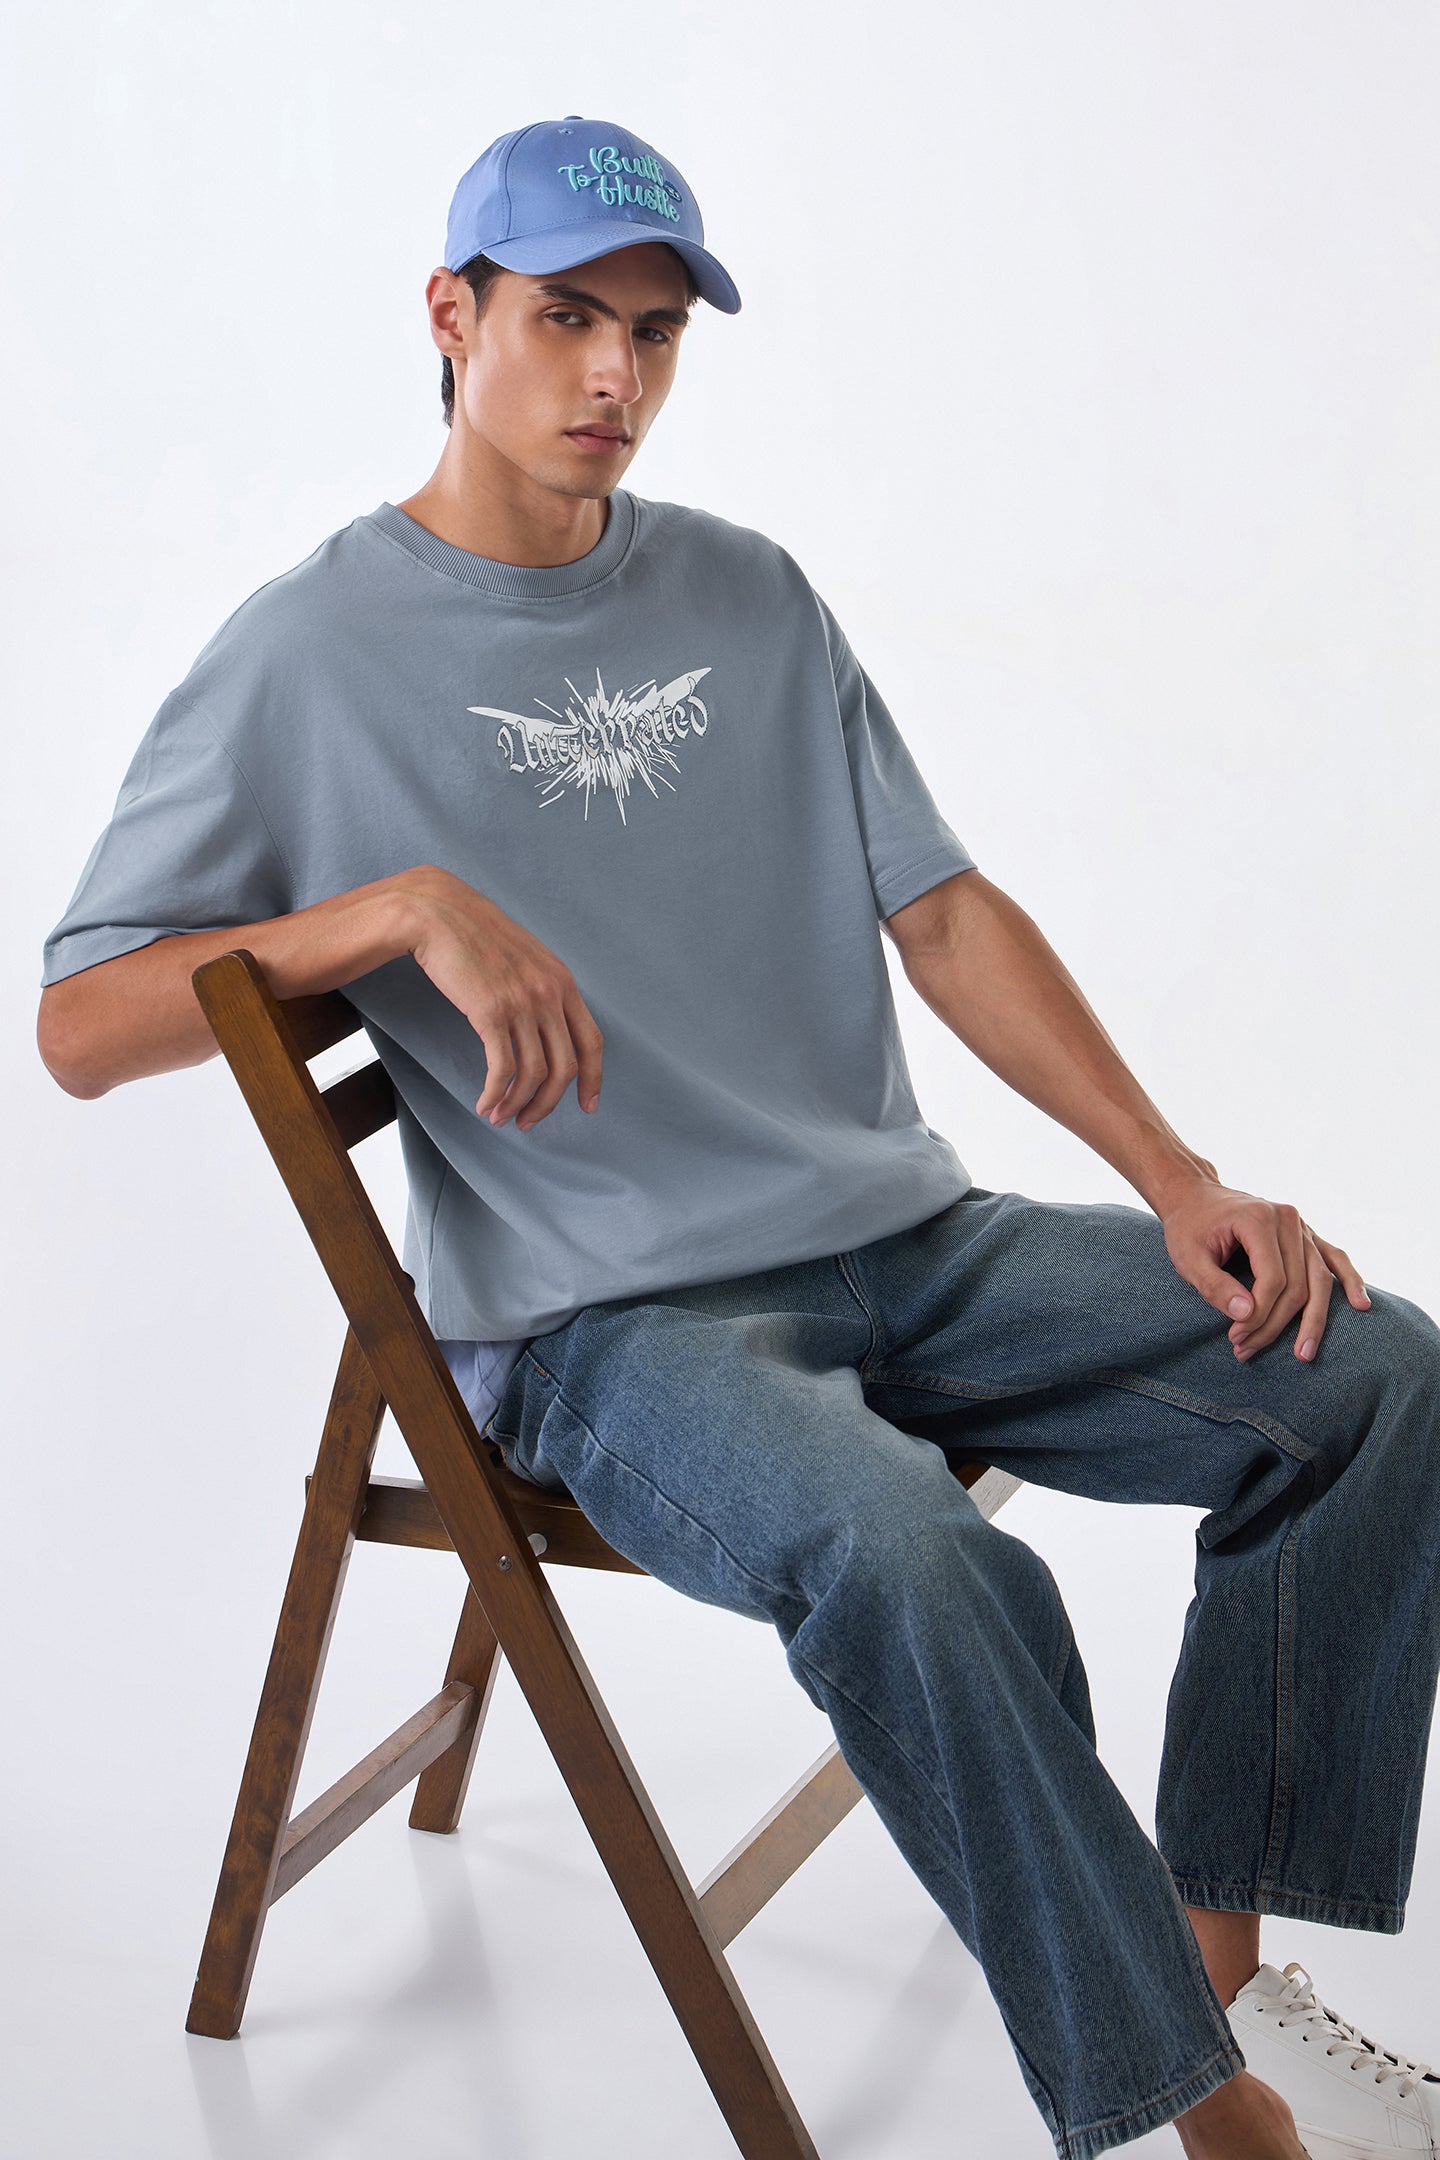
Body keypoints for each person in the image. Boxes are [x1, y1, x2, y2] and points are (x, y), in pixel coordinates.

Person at [35, 113, 1440, 2160]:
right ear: (454, 317)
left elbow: (942, 910)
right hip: (621, 1326)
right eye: (570, 321)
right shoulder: (308, 653)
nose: (618, 379)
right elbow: (78, 1022)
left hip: (907, 1244)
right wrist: (389, 905)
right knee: (917, 1559)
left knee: (1370, 1374)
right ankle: (1198, 2110)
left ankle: (1211, 1964)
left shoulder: (753, 597)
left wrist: (1178, 1180)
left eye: (660, 337)